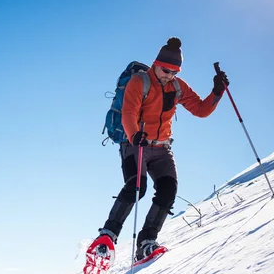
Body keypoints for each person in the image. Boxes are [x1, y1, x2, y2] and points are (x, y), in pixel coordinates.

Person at [96, 36, 229, 261]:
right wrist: (133, 134)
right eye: (166, 70)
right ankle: (107, 238)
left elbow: (200, 110)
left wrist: (217, 92)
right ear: (156, 63)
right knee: (137, 187)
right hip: (134, 143)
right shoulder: (139, 82)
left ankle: (147, 242)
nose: (169, 75)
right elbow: (129, 112)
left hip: (162, 148)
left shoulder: (178, 86)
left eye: (174, 72)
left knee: (168, 190)